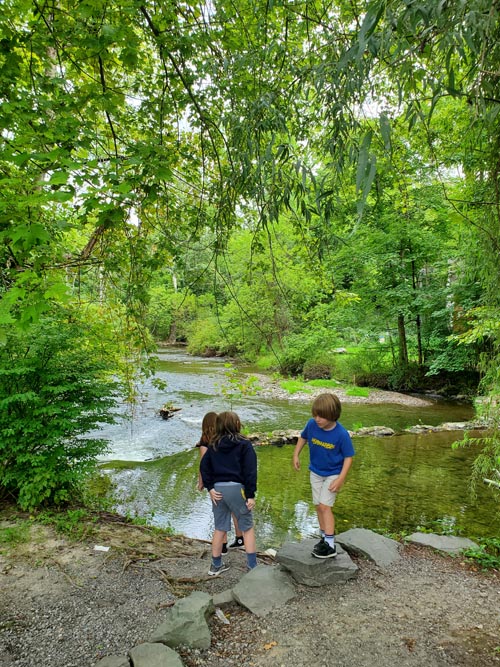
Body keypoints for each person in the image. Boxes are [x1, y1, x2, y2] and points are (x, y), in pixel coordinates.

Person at [293, 393, 355, 559]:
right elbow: (303, 437)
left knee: (326, 506)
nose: (317, 419)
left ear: (332, 415)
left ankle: (330, 544)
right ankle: (324, 538)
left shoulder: (341, 434)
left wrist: (341, 478)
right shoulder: (312, 424)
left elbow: (349, 457)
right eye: (315, 415)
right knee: (319, 506)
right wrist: (296, 454)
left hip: (333, 474)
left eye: (321, 416)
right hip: (316, 471)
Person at [200, 411, 258, 575]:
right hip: (236, 488)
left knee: (220, 528)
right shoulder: (244, 444)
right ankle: (252, 566)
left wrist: (210, 488)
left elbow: (204, 467)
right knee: (247, 527)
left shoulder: (213, 445)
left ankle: (215, 566)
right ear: (237, 424)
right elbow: (250, 471)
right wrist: (250, 494)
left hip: (217, 489)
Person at [196, 412, 244, 553]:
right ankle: (240, 538)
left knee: (221, 514)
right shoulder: (223, 438)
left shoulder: (205, 441)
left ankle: (222, 545)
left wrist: (201, 482)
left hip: (215, 483)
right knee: (235, 511)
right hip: (232, 480)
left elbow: (203, 465)